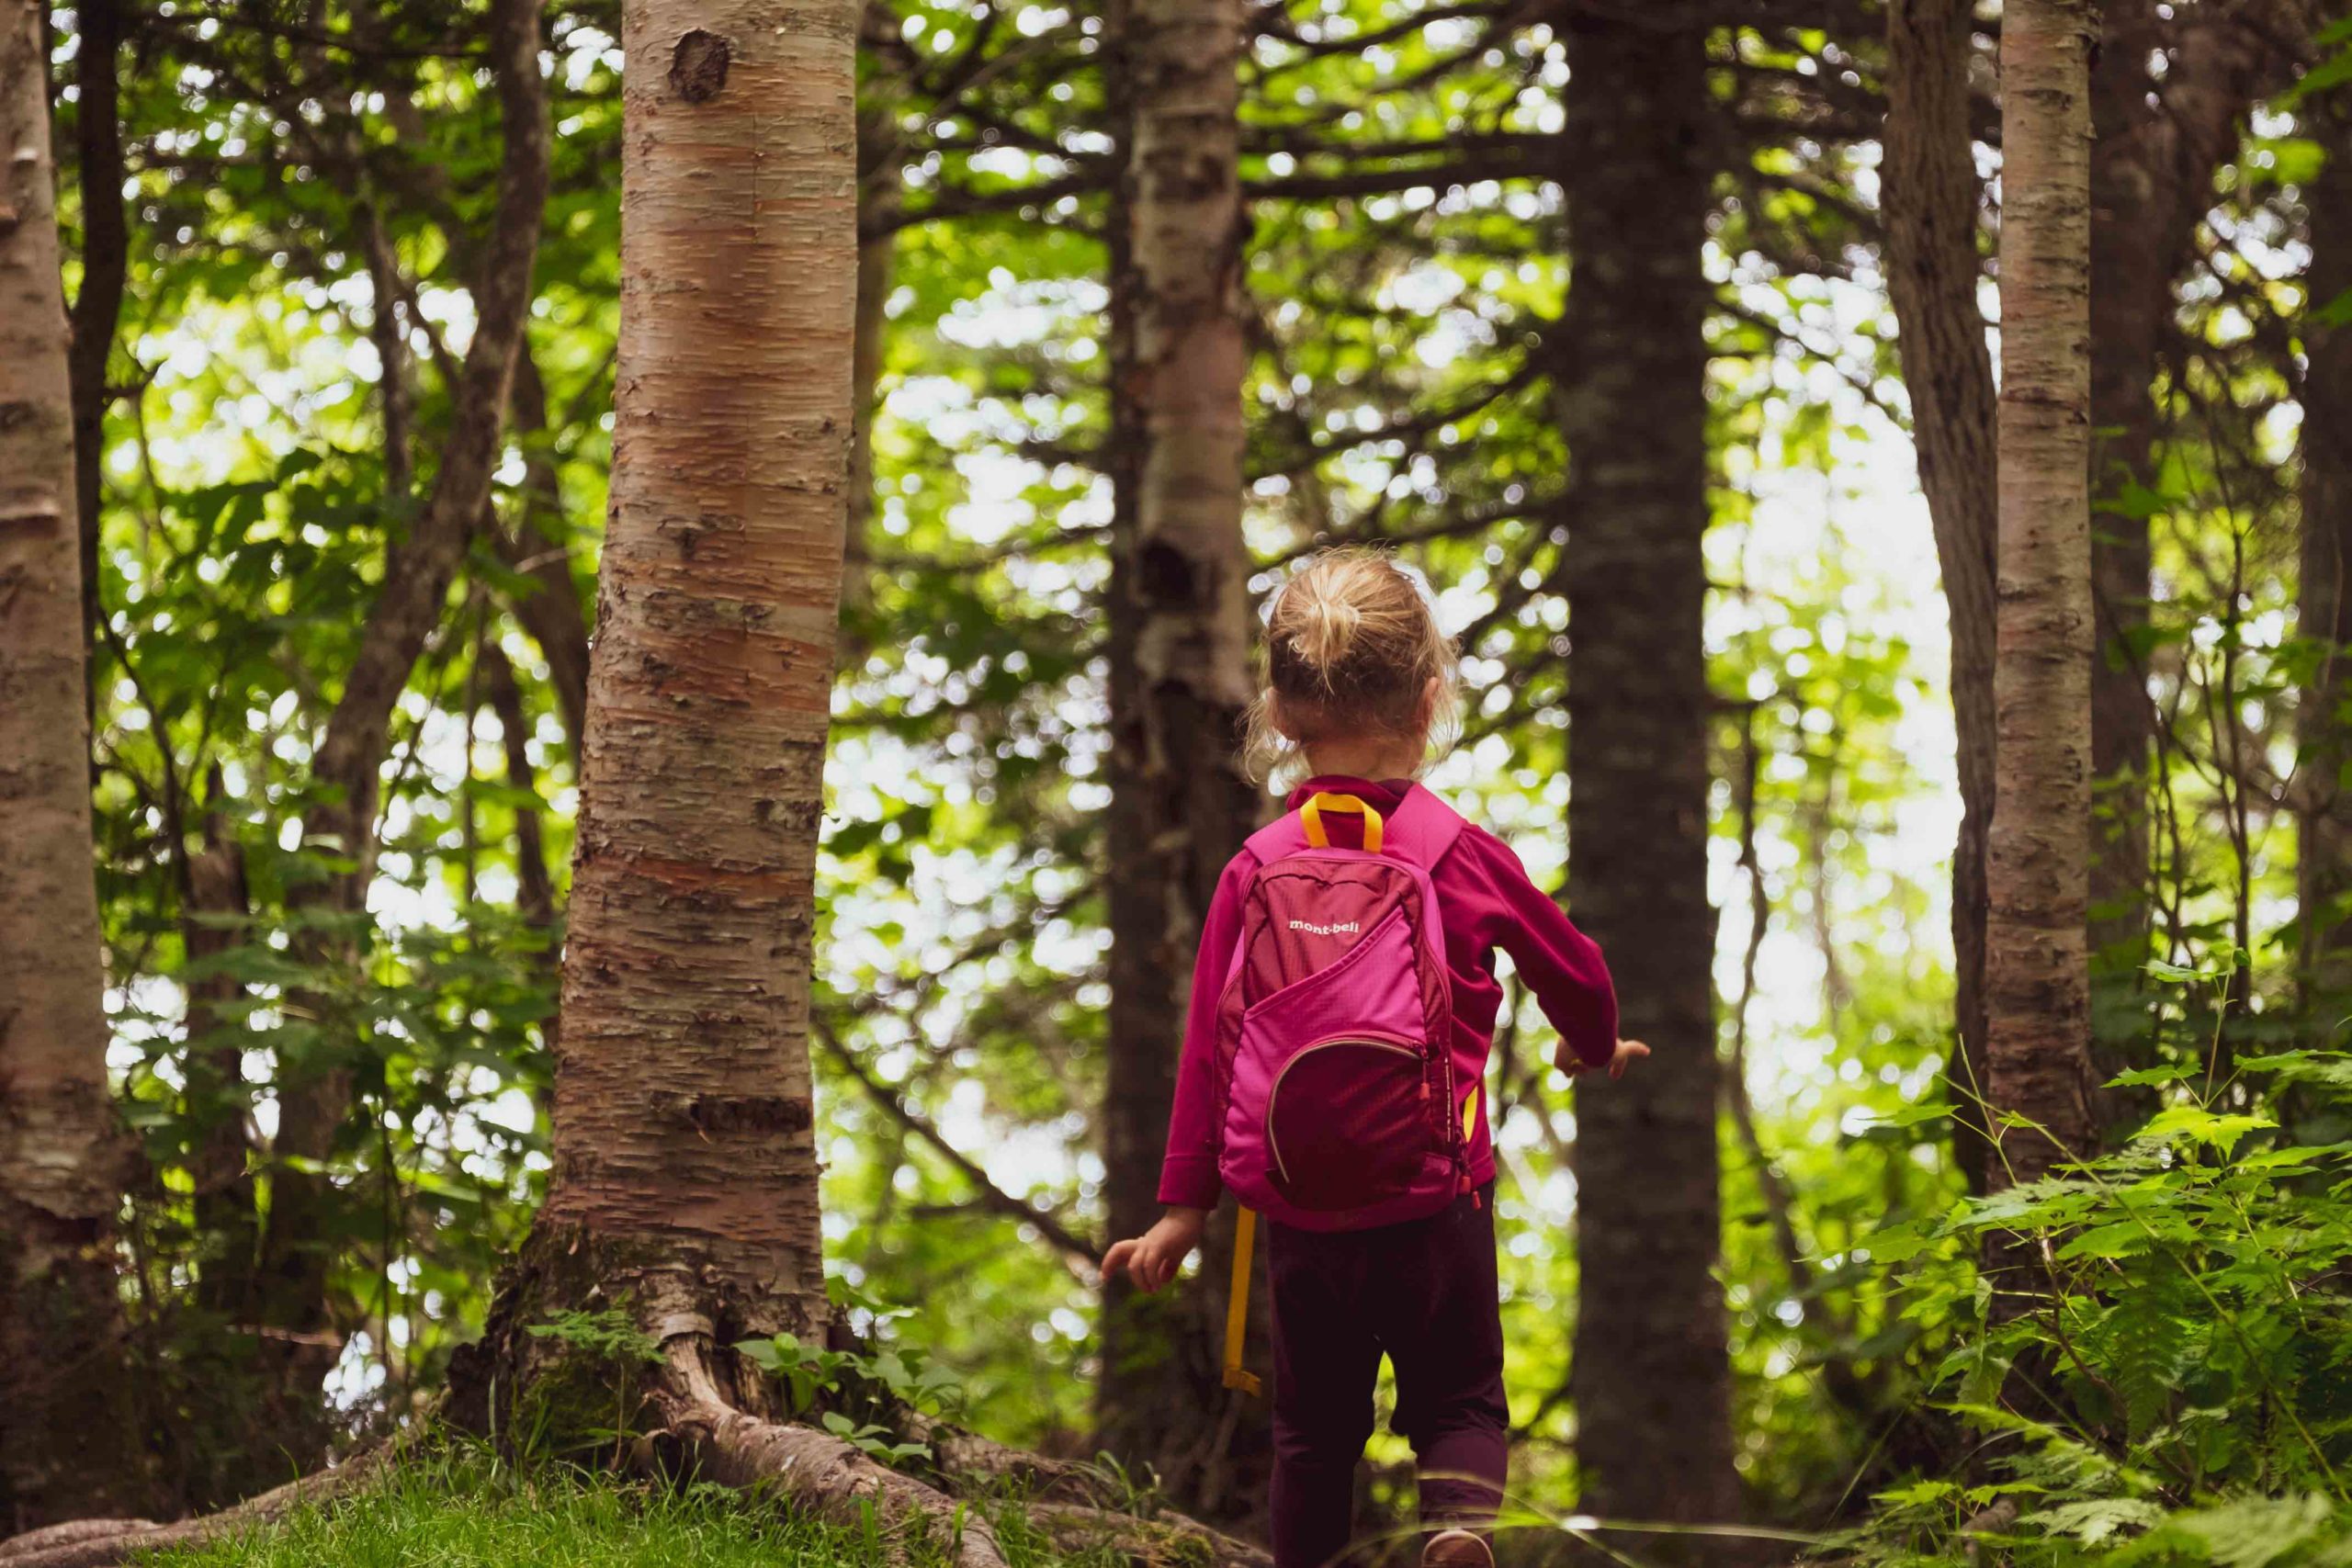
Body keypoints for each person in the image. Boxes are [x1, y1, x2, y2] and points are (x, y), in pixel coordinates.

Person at [1100, 547, 1645, 1568]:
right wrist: (1591, 1044)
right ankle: (1455, 1531)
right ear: (1428, 696)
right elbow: (1574, 967)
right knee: (1461, 1403)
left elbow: (1209, 1055)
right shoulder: (1460, 852)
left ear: (1278, 706)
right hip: (1436, 1200)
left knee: (1310, 1437)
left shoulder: (1255, 870)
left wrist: (1183, 1210)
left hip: (1302, 1217)